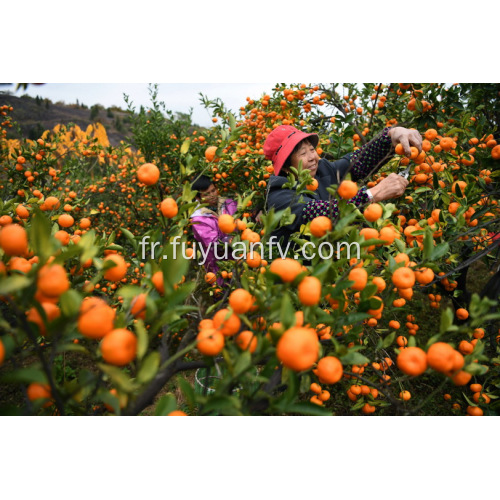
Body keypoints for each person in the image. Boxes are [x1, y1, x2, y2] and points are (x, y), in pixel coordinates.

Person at [264, 124, 422, 243]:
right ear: (285, 166)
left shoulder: (323, 170)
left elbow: (359, 161)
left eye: (312, 150)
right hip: (302, 275)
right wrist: (372, 194)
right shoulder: (279, 195)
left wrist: (391, 135)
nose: (312, 157)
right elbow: (318, 213)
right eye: (303, 153)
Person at [190, 175, 237, 283]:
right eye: (207, 194)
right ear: (198, 198)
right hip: (219, 268)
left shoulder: (229, 204)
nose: (213, 195)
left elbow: (244, 220)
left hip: (240, 260)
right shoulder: (198, 220)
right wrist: (236, 240)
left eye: (213, 190)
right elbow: (215, 244)